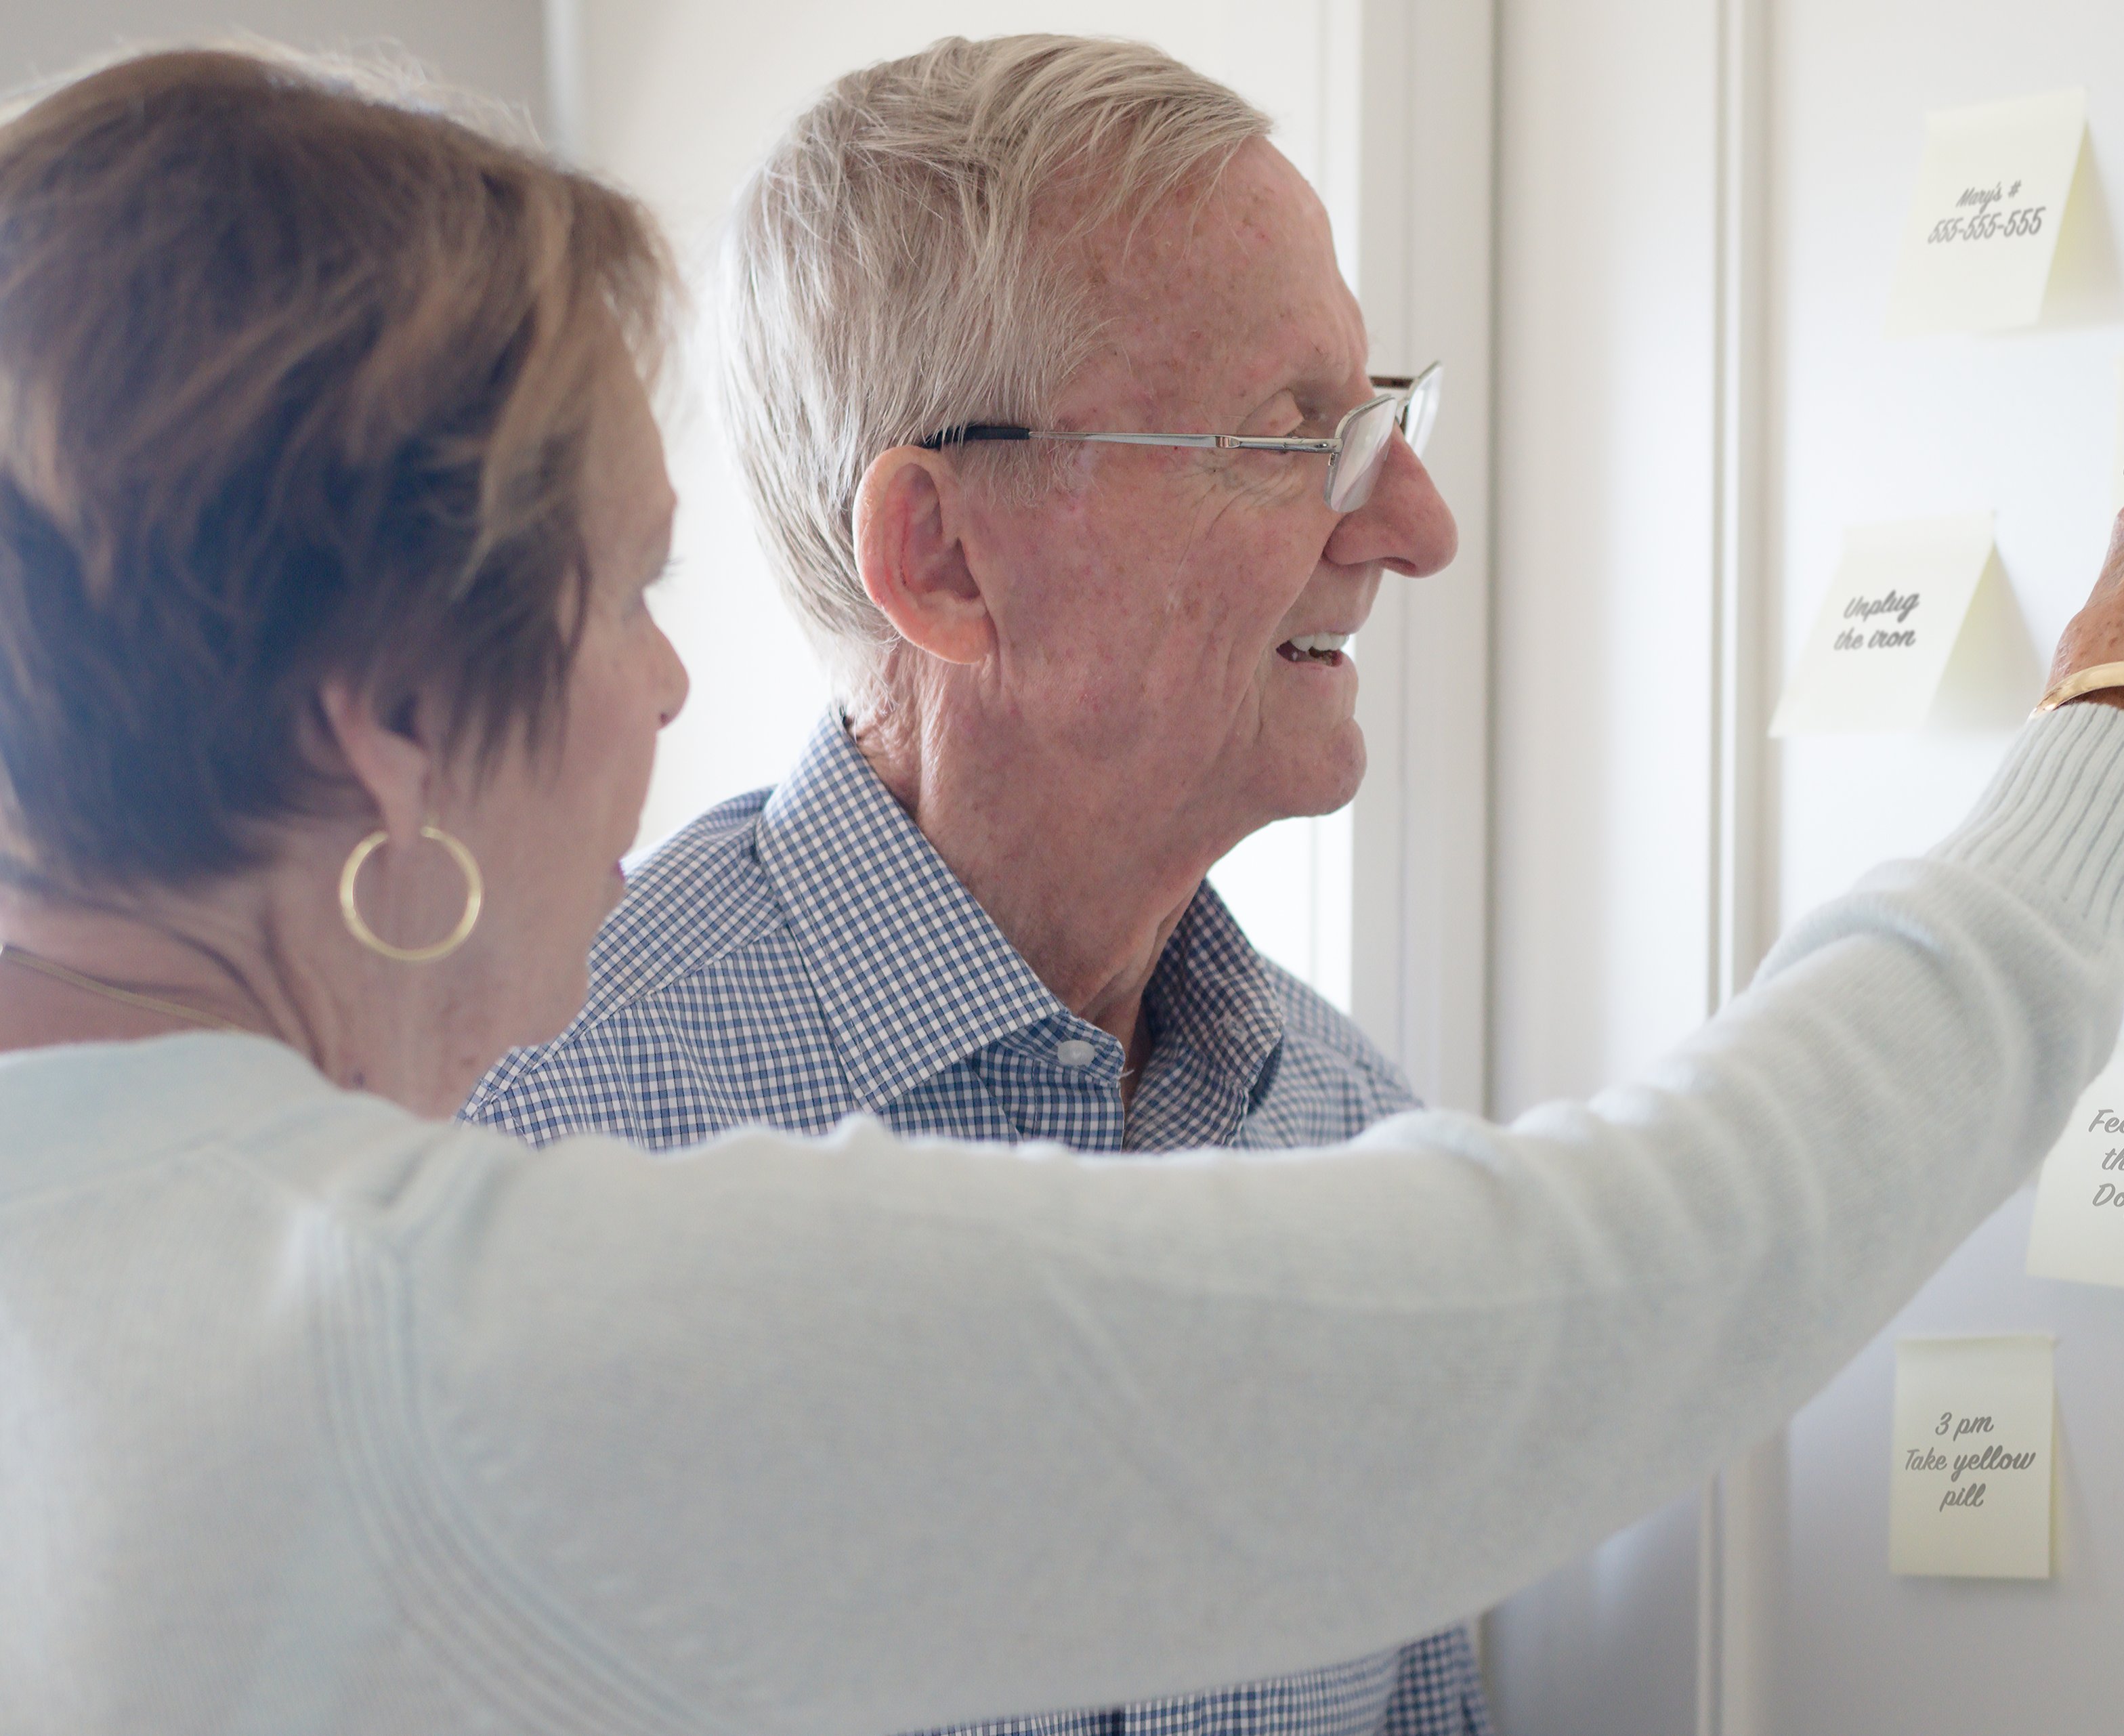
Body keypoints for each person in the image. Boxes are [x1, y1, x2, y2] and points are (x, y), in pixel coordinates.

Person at [0, 45, 2124, 1736]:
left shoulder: (1336, 1109)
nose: (662, 682)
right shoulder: (462, 1255)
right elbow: (1636, 1280)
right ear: (935, 555)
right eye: (1286, 433)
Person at [465, 41, 1478, 1734]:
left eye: (1380, 422)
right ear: (940, 556)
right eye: (1293, 435)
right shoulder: (512, 1141)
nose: (1415, 524)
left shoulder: (1361, 1145)